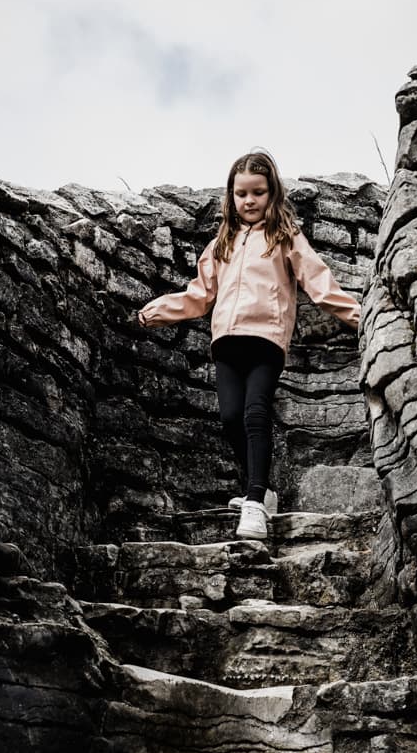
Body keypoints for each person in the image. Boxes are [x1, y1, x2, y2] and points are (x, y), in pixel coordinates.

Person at [137, 150, 361, 540]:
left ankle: (254, 502)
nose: (250, 201)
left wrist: (360, 316)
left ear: (272, 193)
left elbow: (318, 281)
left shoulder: (284, 236)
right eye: (242, 194)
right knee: (230, 418)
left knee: (255, 413)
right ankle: (266, 490)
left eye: (258, 192)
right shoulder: (221, 243)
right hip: (226, 342)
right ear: (232, 197)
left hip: (266, 339)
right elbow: (198, 296)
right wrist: (155, 311)